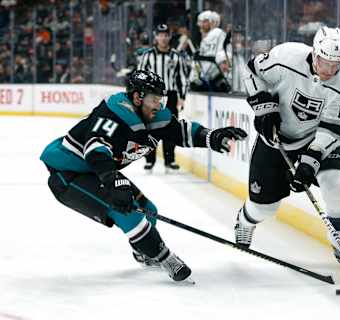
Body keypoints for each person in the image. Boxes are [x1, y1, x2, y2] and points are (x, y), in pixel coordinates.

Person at [40, 70, 247, 282]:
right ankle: (165, 258)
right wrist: (113, 181)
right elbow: (95, 150)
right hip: (68, 174)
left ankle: (143, 252)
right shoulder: (112, 114)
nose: (159, 104)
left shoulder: (153, 114)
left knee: (149, 212)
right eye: (154, 99)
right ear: (138, 97)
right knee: (126, 213)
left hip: (97, 172)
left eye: (160, 99)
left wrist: (213, 136)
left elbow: (180, 131)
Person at [235, 26, 340, 269]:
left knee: (337, 186)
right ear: (314, 53)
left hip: (313, 137)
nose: (329, 70)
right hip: (275, 137)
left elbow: (332, 129)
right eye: (324, 61)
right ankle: (245, 221)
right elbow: (251, 69)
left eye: (335, 64)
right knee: (264, 208)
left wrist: (309, 163)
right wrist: (263, 106)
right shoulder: (287, 56)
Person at [137, 24, 188, 172]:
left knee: (170, 127)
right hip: (151, 96)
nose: (163, 38)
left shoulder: (176, 56)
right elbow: (140, 74)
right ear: (156, 37)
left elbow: (182, 78)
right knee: (150, 128)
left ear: (169, 37)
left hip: (170, 95)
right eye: (160, 35)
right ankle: (149, 160)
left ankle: (169, 160)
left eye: (166, 35)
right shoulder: (147, 55)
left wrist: (182, 96)